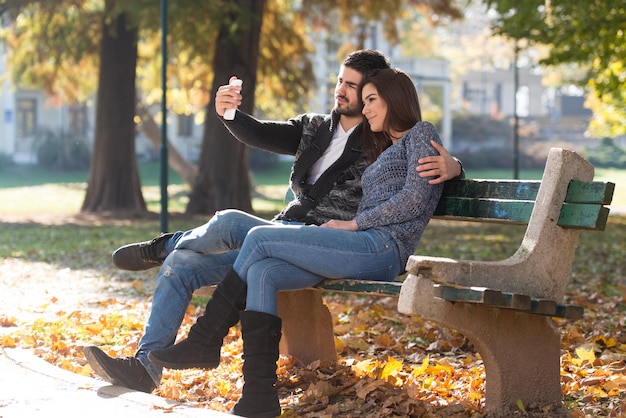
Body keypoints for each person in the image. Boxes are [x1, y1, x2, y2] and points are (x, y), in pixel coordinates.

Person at [84, 50, 463, 394]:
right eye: (340, 81)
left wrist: (456, 166)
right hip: (287, 232)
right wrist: (229, 113)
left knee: (229, 221)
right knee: (181, 265)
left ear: (375, 93)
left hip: (325, 246)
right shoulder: (315, 127)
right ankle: (144, 368)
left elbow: (419, 164)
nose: (342, 91)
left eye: (354, 87)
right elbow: (263, 133)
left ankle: (169, 249)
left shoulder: (379, 137)